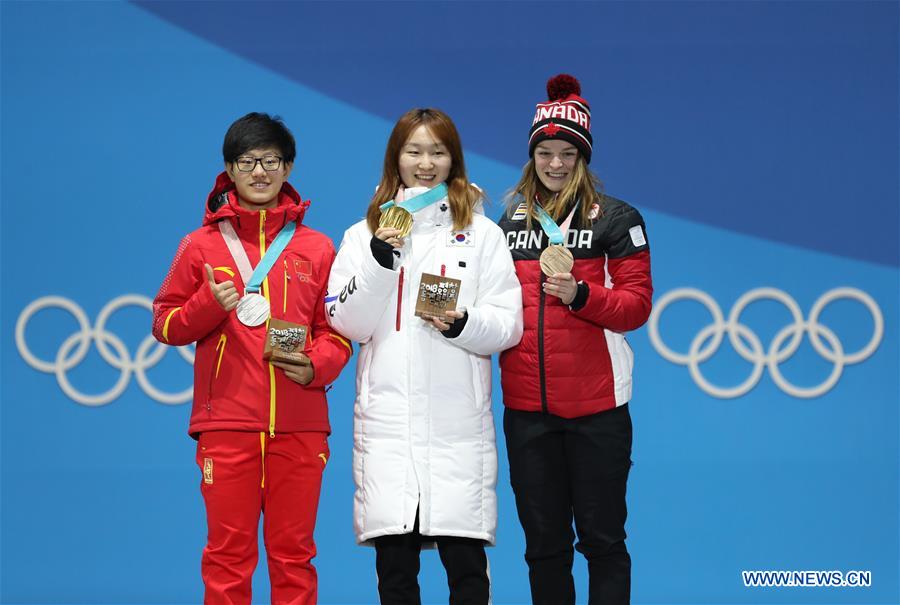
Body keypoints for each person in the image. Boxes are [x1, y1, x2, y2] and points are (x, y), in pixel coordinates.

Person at [151, 112, 352, 604]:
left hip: (301, 424)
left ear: (288, 167)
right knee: (227, 555)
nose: (259, 172)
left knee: (294, 555)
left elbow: (339, 330)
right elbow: (164, 324)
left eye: (270, 161)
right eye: (247, 161)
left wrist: (317, 365)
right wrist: (206, 305)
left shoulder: (319, 247)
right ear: (229, 168)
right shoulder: (198, 246)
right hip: (227, 425)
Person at [326, 108, 523, 604]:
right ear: (396, 159)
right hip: (389, 430)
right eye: (414, 151)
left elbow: (507, 323)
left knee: (468, 577)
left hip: (457, 430)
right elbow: (347, 322)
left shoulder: (482, 235)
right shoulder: (360, 237)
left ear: (454, 160)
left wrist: (462, 323)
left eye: (438, 151)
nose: (426, 162)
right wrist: (380, 259)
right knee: (395, 578)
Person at [497, 75, 654, 605]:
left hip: (597, 412)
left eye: (568, 152)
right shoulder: (509, 221)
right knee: (543, 548)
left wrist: (582, 295)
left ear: (583, 157)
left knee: (604, 542)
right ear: (532, 155)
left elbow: (636, 307)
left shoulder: (616, 218)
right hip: (527, 413)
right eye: (546, 151)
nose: (556, 163)